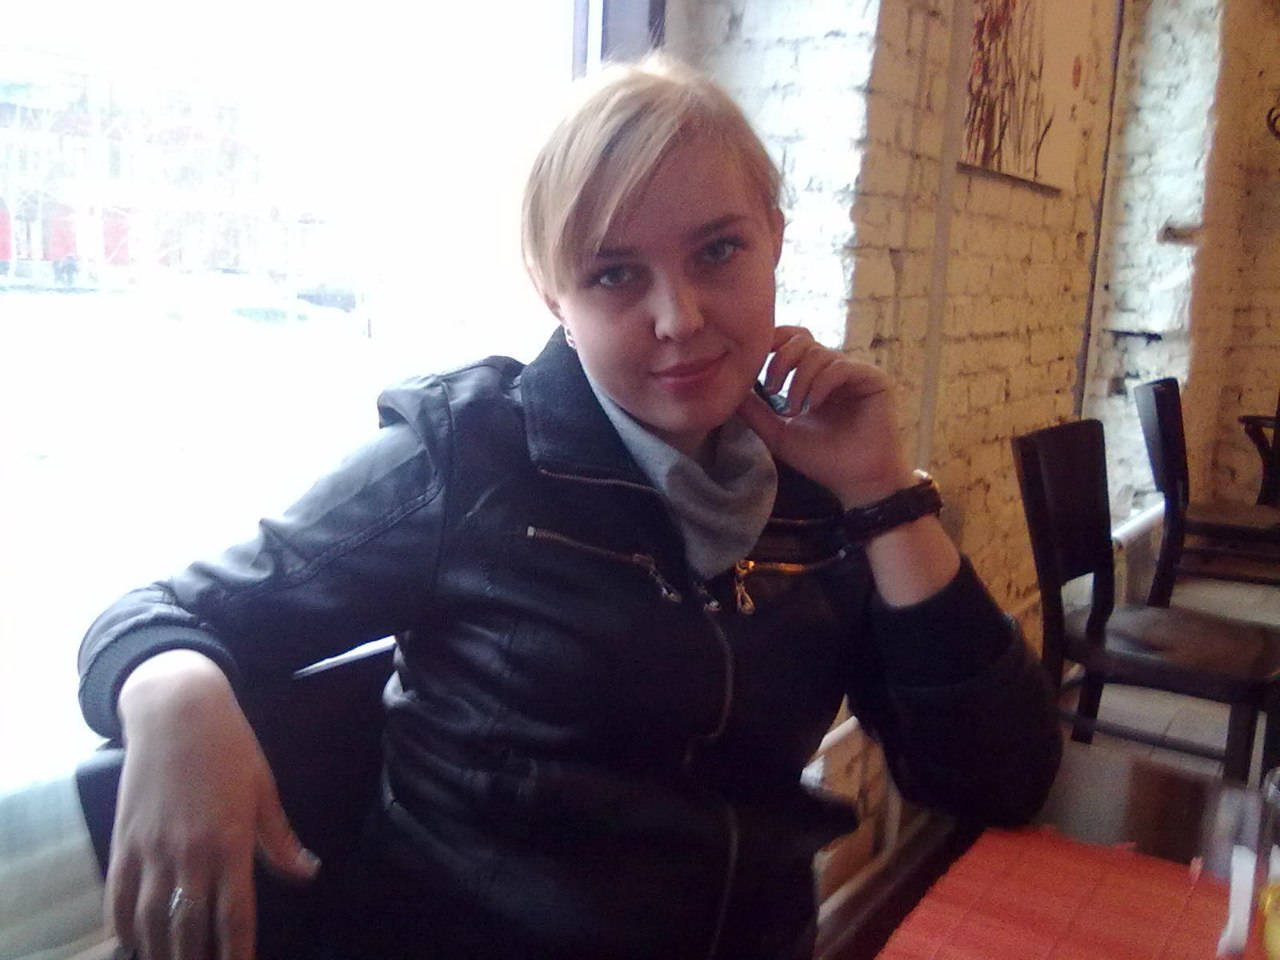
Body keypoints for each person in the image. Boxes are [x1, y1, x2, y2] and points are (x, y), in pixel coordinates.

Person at [77, 55, 1062, 960]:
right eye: (613, 273)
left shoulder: (812, 485)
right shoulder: (470, 455)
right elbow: (153, 615)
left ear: (773, 237)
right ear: (555, 295)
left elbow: (997, 780)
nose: (678, 317)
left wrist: (881, 496)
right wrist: (176, 695)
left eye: (718, 250)